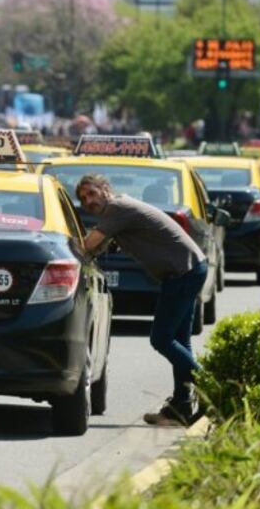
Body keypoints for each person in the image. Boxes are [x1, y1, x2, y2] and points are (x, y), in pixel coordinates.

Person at [75, 173, 207, 426]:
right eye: (83, 198)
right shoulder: (117, 211)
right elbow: (104, 244)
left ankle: (212, 387)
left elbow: (88, 246)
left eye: (92, 193)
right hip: (188, 269)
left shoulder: (117, 208)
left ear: (105, 188)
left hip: (183, 271)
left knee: (161, 339)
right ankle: (180, 407)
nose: (88, 201)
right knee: (180, 340)